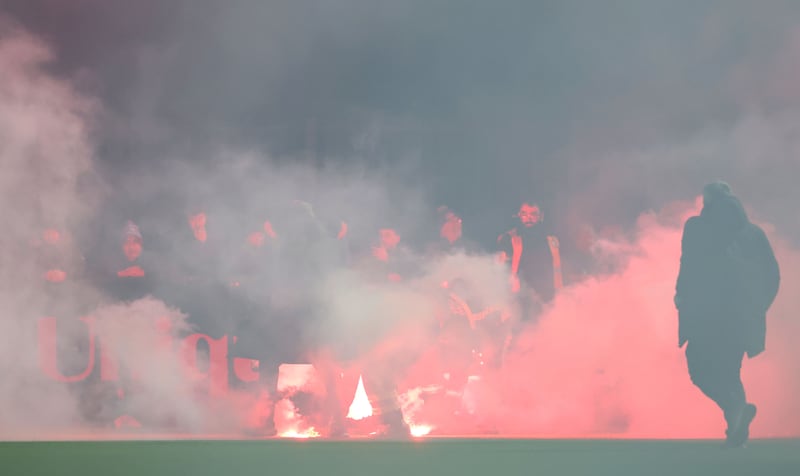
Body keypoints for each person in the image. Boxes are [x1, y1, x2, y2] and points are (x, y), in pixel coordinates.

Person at [674, 181, 780, 448]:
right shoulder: (754, 234)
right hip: (741, 318)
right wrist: (758, 307)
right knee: (731, 372)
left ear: (709, 201)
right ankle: (737, 431)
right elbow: (772, 275)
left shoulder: (696, 228)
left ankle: (734, 409)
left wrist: (681, 295)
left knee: (698, 369)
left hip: (706, 315)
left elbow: (688, 264)